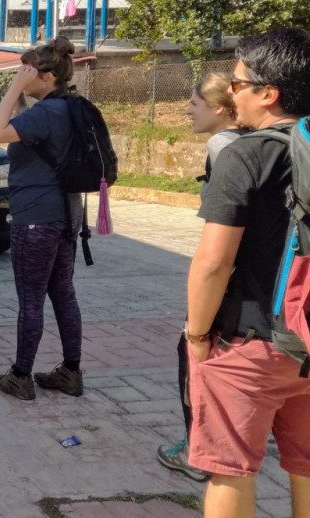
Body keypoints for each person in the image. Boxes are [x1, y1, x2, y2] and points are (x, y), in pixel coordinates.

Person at [184, 28, 310, 517]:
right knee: (306, 465)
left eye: (238, 84)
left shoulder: (246, 153)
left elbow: (213, 263)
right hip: (306, 338)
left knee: (231, 468)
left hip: (251, 343)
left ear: (268, 93)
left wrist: (198, 336)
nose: (232, 94)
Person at [0, 36, 84, 401]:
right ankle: (71, 372)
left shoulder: (45, 114)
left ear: (46, 76)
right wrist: (20, 91)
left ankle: (20, 375)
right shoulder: (70, 107)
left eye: (27, 70)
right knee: (63, 294)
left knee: (31, 300)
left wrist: (13, 87)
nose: (21, 74)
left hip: (35, 218)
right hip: (66, 214)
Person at [158, 72, 243, 481]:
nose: (187, 110)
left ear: (222, 109)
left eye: (195, 103)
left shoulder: (224, 145)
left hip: (233, 276)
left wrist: (197, 326)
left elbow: (220, 248)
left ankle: (198, 451)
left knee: (194, 354)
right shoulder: (263, 141)